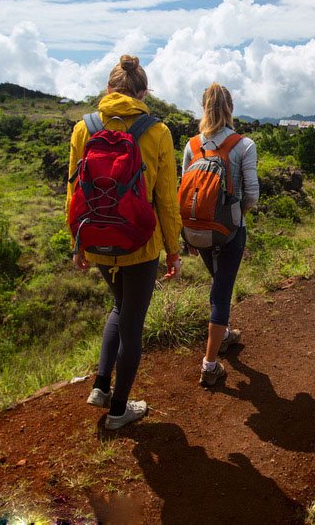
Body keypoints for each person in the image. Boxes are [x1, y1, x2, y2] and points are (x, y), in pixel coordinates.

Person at [67, 54, 182, 430]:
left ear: (108, 89)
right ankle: (119, 411)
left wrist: (77, 244)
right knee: (132, 322)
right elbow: (166, 198)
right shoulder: (158, 131)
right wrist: (173, 251)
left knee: (119, 307)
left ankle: (101, 386)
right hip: (140, 244)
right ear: (143, 93)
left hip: (98, 239)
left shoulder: (83, 128)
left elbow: (72, 193)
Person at [183, 83, 259, 387]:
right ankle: (210, 364)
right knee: (222, 293)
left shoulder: (192, 145)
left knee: (218, 282)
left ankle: (224, 332)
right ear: (230, 107)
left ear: (204, 108)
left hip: (197, 230)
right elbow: (251, 194)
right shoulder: (244, 145)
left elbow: (184, 190)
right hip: (229, 230)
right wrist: (237, 215)